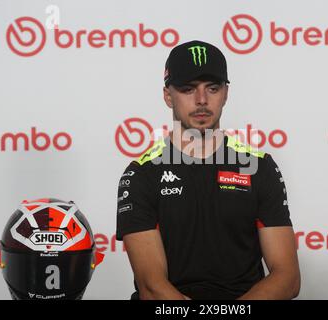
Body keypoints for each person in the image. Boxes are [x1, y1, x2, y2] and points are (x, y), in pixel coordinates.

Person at [116, 40, 300, 300]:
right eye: (188, 89)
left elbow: (287, 279)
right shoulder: (141, 174)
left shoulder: (259, 166)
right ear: (168, 96)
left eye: (212, 88)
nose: (201, 100)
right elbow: (152, 287)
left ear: (226, 93)